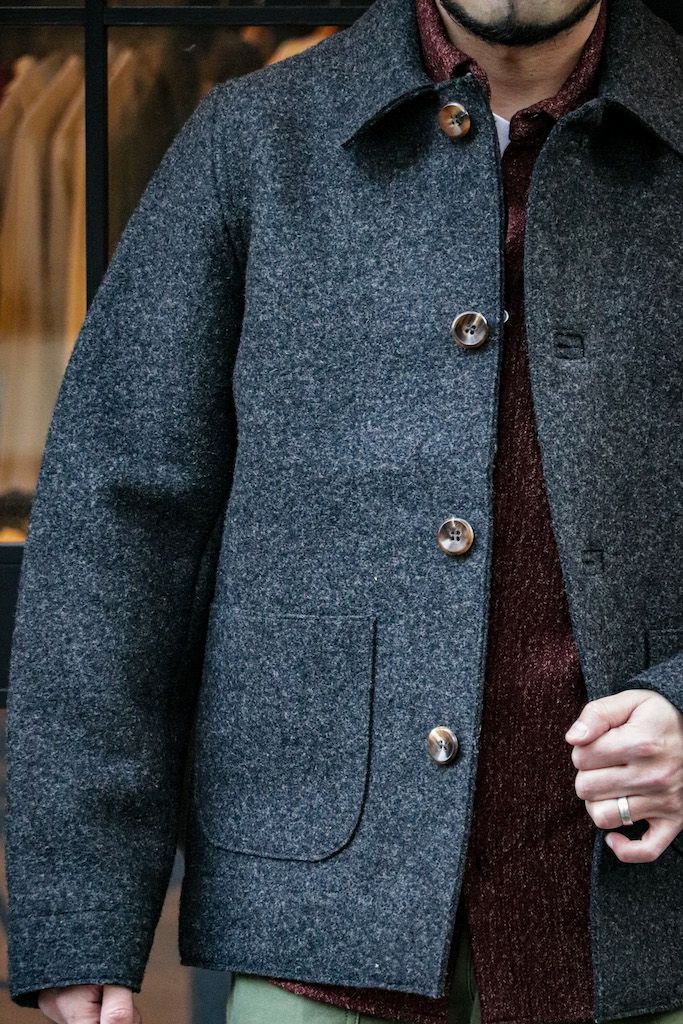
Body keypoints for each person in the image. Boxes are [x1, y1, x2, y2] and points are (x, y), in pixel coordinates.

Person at [5, 1, 683, 1023]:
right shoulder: (253, 144)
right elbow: (117, 529)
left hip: (645, 942)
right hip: (315, 947)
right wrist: (81, 904)